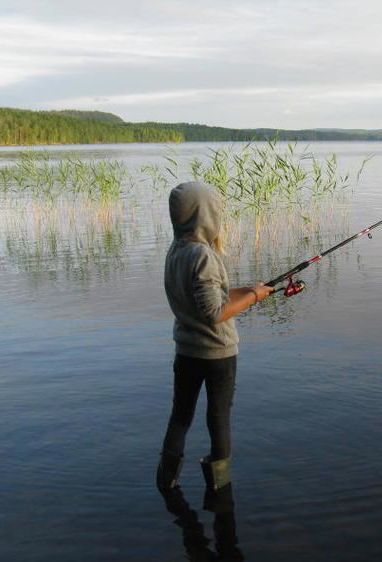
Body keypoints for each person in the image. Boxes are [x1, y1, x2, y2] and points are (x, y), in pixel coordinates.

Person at [156, 181, 273, 495]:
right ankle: (220, 487)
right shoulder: (203, 255)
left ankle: (165, 480)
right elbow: (214, 313)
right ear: (204, 215)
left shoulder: (176, 251)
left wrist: (250, 289)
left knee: (181, 415)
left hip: (186, 351)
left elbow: (209, 297)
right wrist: (255, 299)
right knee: (219, 418)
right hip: (217, 354)